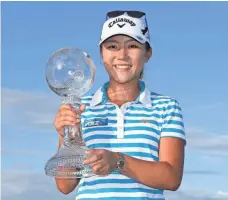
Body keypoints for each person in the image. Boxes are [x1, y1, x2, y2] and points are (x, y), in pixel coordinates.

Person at [54, 10, 186, 200]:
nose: (122, 55)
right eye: (113, 46)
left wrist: (117, 161)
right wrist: (66, 137)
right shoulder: (81, 106)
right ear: (101, 53)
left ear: (148, 53)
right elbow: (65, 185)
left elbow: (172, 178)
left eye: (132, 46)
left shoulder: (166, 107)